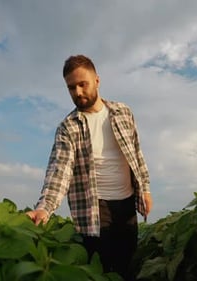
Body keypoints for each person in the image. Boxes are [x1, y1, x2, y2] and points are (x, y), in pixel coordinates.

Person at [26, 54, 152, 281]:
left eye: (82, 84)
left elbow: (136, 152)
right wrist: (45, 207)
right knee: (101, 269)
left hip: (126, 202)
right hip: (94, 208)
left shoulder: (122, 112)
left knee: (126, 266)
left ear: (97, 80)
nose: (78, 92)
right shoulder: (68, 127)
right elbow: (60, 170)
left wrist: (145, 189)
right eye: (71, 88)